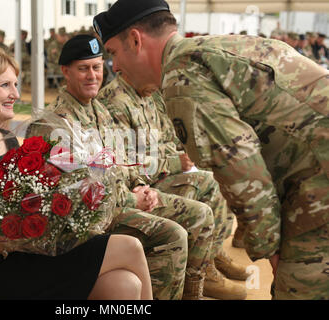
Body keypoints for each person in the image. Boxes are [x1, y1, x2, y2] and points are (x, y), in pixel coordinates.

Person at [94, 0, 329, 299]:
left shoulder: (183, 75)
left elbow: (241, 168)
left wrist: (270, 249)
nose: (114, 66)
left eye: (113, 52)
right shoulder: (212, 50)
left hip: (317, 179)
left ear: (136, 40)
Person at [0, 46, 153, 300]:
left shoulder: (7, 139)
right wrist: (18, 240)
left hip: (27, 255)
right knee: (130, 247)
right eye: (5, 86)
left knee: (125, 285)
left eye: (15, 84)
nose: (15, 94)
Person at [28, 34, 217, 300]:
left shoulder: (98, 110)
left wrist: (139, 184)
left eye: (96, 67)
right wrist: (132, 199)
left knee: (199, 214)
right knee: (172, 235)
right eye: (83, 69)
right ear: (65, 72)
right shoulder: (56, 124)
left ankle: (192, 293)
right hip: (91, 222)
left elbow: (121, 160)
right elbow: (79, 194)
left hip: (123, 200)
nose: (92, 75)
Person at [98, 73, 248, 300]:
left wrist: (180, 154)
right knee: (196, 209)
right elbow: (128, 159)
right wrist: (173, 161)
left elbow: (167, 139)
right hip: (141, 184)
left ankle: (208, 262)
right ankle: (198, 272)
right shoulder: (116, 101)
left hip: (152, 176)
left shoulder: (147, 93)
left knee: (214, 181)